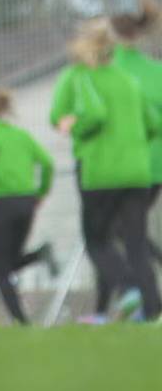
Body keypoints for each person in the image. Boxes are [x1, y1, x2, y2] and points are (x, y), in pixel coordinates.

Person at [49, 18, 161, 323]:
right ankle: (153, 312)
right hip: (138, 172)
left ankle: (128, 289)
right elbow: (154, 124)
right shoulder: (128, 80)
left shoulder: (78, 76)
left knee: (96, 238)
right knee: (136, 242)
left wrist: (73, 124)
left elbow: (75, 115)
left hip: (100, 171)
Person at [0, 89, 56, 325]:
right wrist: (40, 193)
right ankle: (39, 255)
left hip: (0, 202)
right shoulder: (20, 135)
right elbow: (47, 162)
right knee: (9, 262)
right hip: (26, 203)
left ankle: (21, 321)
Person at [110, 0, 162, 266]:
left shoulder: (109, 72)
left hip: (123, 164)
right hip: (156, 166)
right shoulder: (157, 71)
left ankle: (138, 292)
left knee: (120, 230)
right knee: (129, 229)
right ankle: (138, 292)